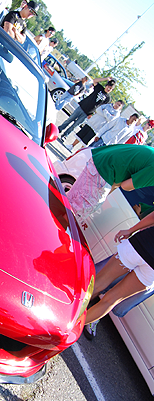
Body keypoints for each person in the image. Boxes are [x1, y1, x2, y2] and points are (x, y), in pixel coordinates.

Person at [84, 211, 154, 339]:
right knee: (112, 300)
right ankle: (70, 330)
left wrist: (131, 230)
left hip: (142, 245)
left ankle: (65, 320)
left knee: (98, 283)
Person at [66, 144, 154, 221]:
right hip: (105, 172)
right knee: (73, 213)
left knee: (68, 202)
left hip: (101, 159)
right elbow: (126, 186)